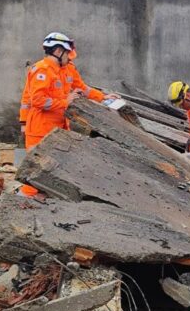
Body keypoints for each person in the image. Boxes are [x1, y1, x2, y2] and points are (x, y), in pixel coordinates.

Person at [19, 32, 118, 198]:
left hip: (58, 127)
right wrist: (66, 101)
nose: (70, 59)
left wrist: (102, 97)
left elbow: (83, 87)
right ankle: (20, 205)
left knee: (54, 169)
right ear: (58, 51)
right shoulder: (42, 71)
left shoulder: (67, 69)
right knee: (35, 174)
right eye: (67, 54)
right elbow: (37, 100)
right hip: (40, 129)